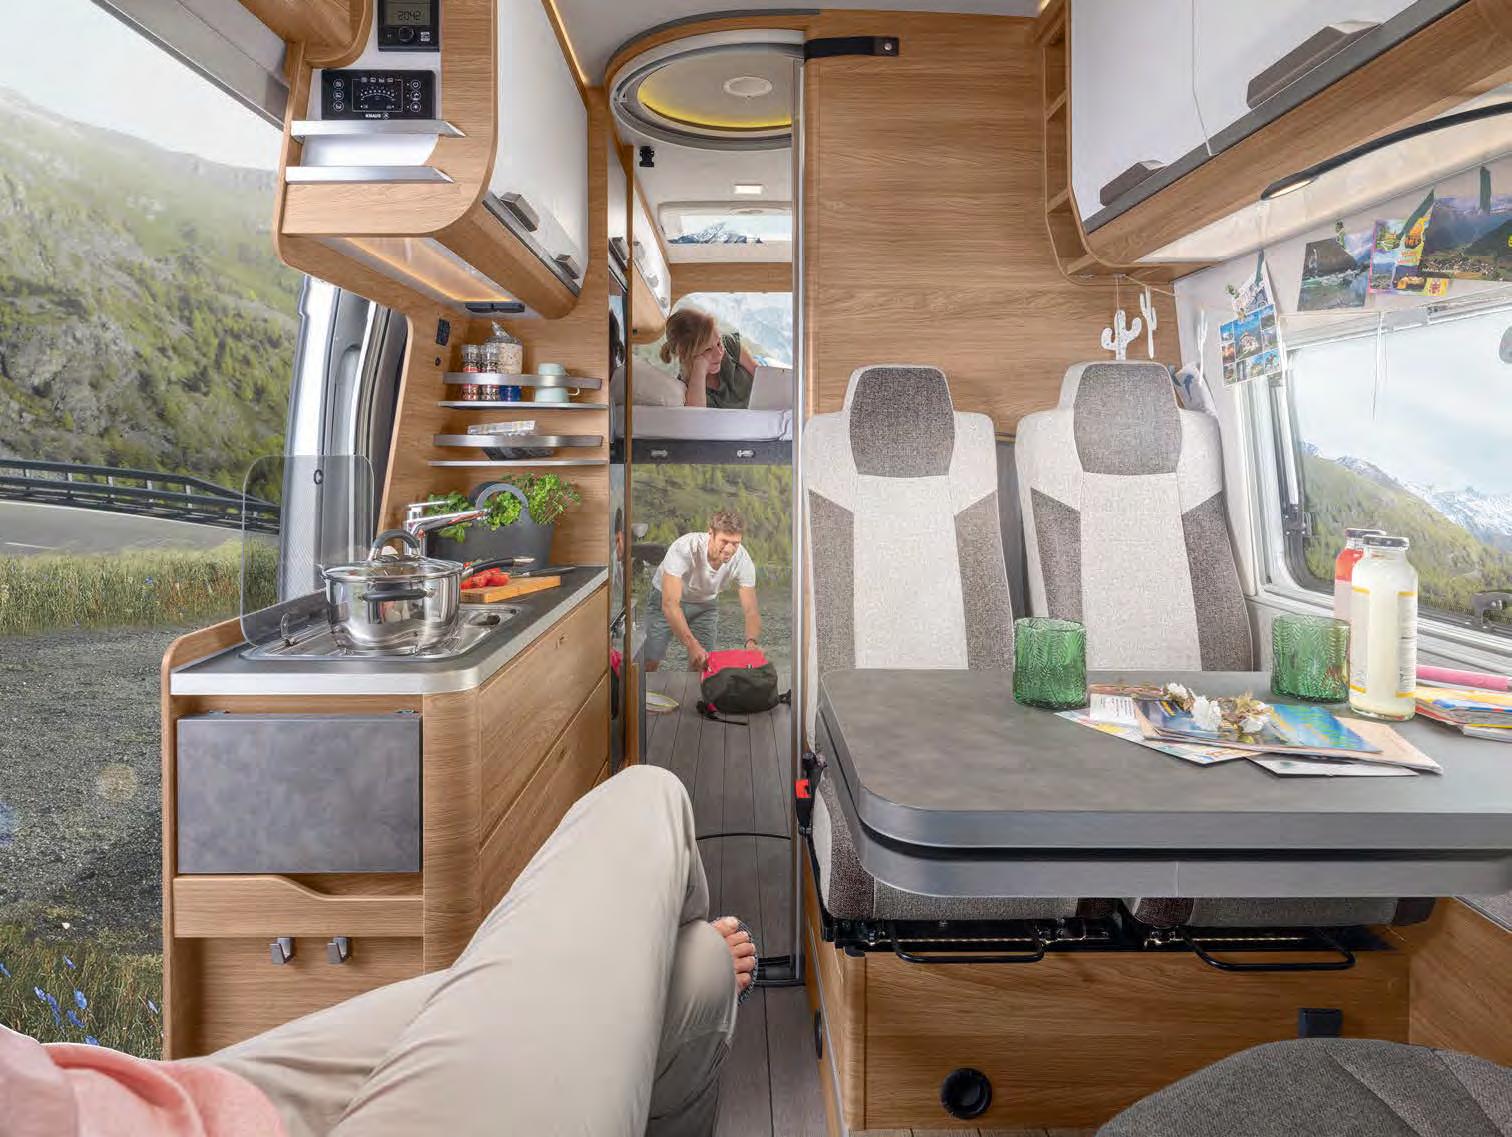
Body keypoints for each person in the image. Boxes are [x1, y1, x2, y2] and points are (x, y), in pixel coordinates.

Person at [2, 767, 757, 1137]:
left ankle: (652, 947)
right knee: (646, 795)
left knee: (698, 968)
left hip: (173, 1100)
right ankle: (647, 935)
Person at [645, 510, 759, 674]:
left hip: (705, 605)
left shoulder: (742, 560)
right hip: (665, 600)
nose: (729, 549)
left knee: (703, 663)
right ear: (710, 533)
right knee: (651, 660)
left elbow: (751, 609)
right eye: (724, 541)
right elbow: (670, 604)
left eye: (735, 543)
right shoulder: (684, 548)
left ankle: (695, 691)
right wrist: (691, 644)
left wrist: (751, 642)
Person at [659, 308, 759, 409]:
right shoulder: (684, 389)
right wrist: (700, 369)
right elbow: (696, 414)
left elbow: (761, 374)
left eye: (718, 343)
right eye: (707, 349)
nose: (719, 353)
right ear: (686, 354)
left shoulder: (728, 344)